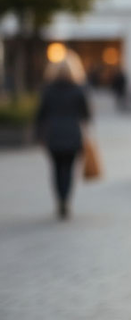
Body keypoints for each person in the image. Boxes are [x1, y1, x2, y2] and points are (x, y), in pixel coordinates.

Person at [35, 49, 91, 220]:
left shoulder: (48, 90)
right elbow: (86, 114)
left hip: (53, 134)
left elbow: (40, 114)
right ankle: (66, 199)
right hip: (73, 133)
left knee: (57, 168)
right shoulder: (78, 89)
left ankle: (59, 199)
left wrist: (39, 135)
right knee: (68, 168)